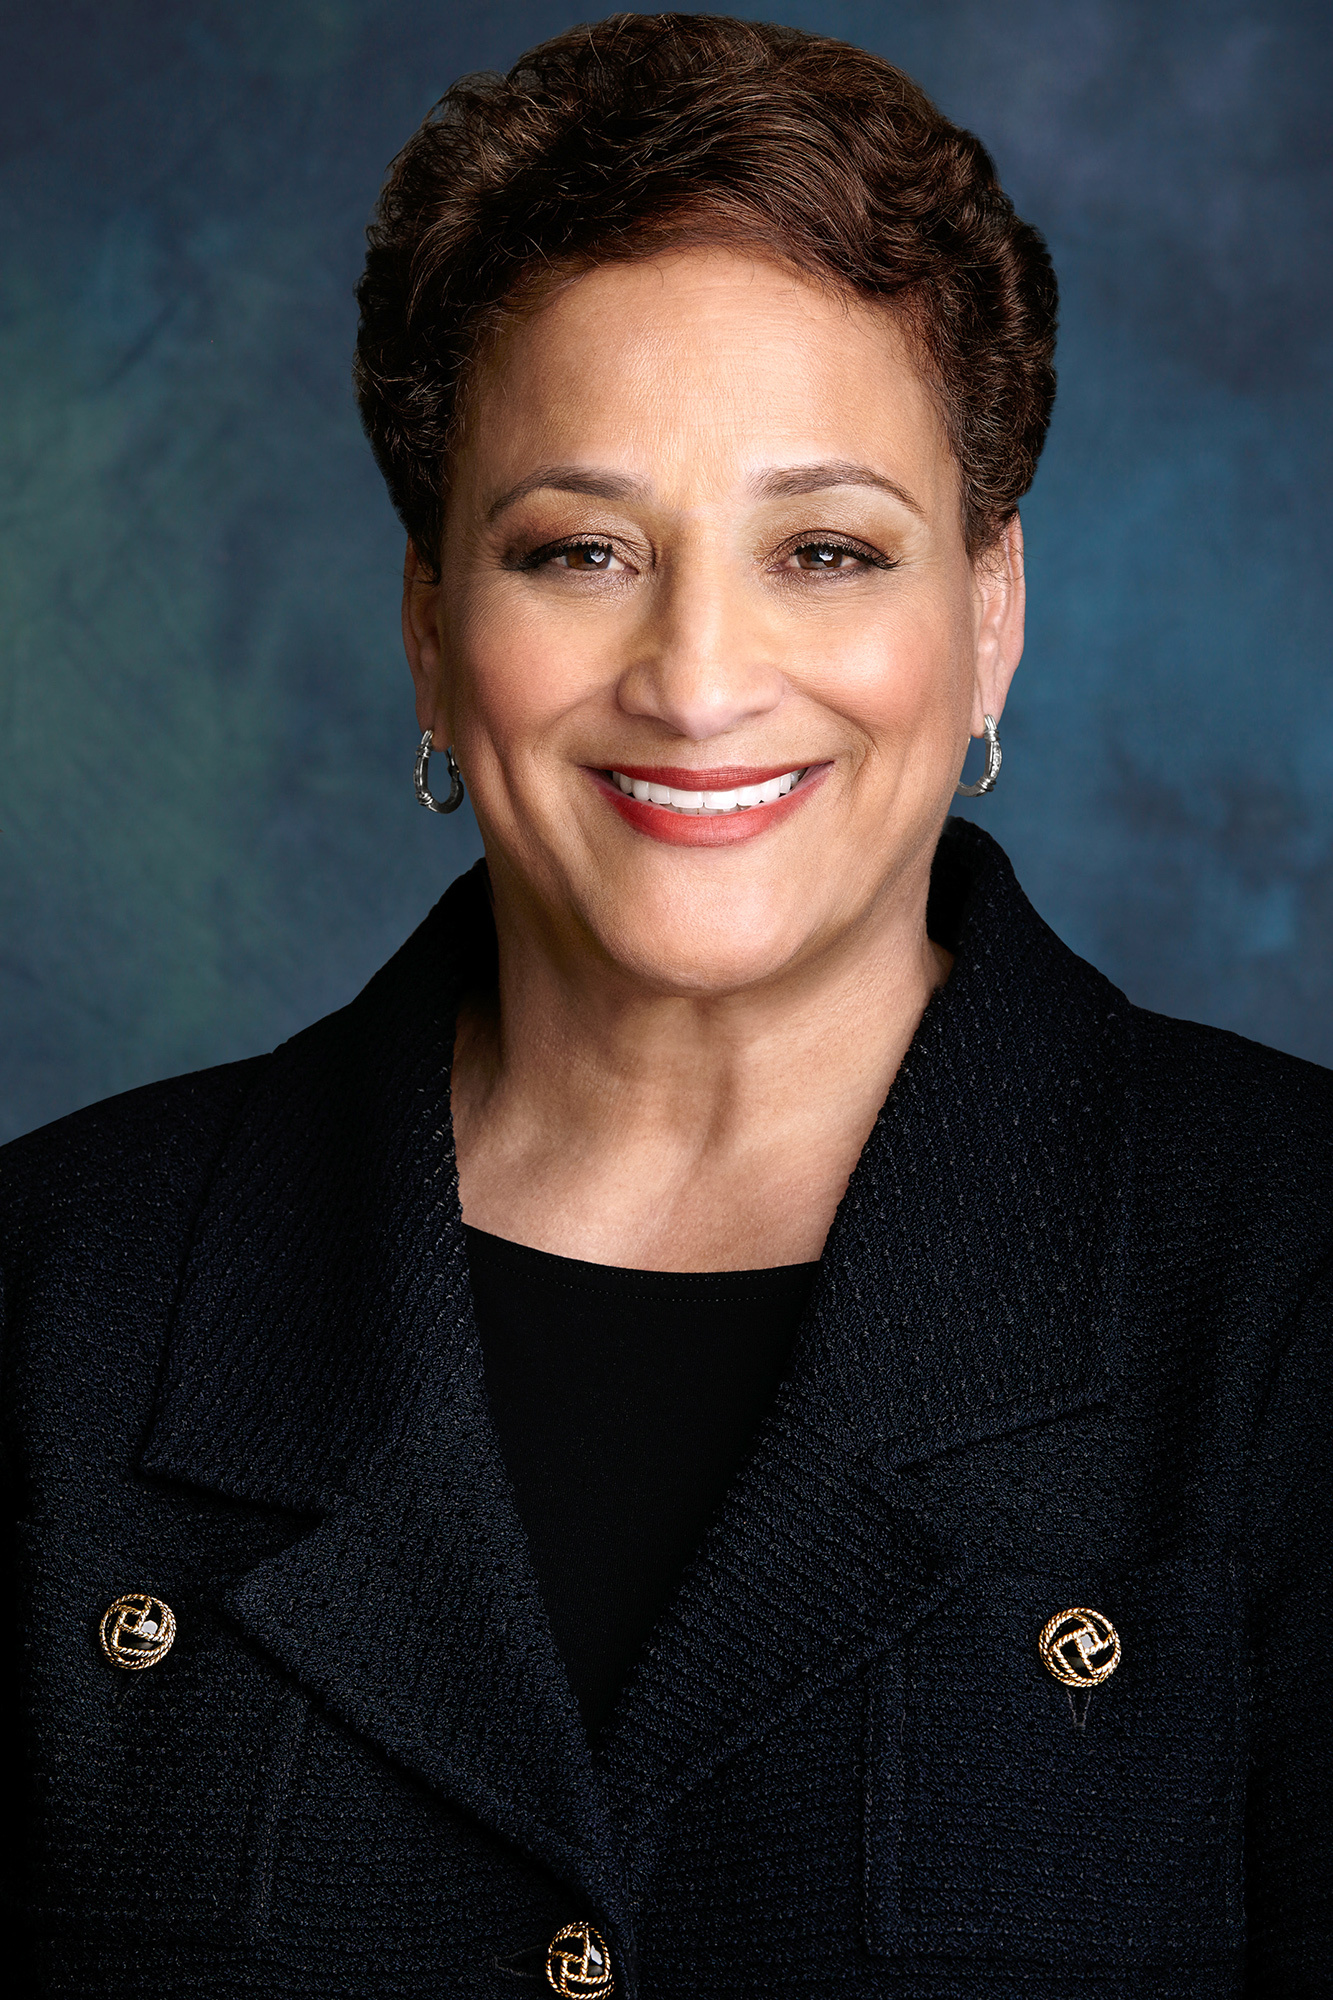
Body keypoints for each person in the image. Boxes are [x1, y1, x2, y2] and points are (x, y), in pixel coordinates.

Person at [4, 15, 1329, 1996]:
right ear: (431, 628)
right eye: (580, 550)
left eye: (825, 549)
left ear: (989, 617)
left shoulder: (1293, 1281)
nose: (698, 681)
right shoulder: (51, 1298)